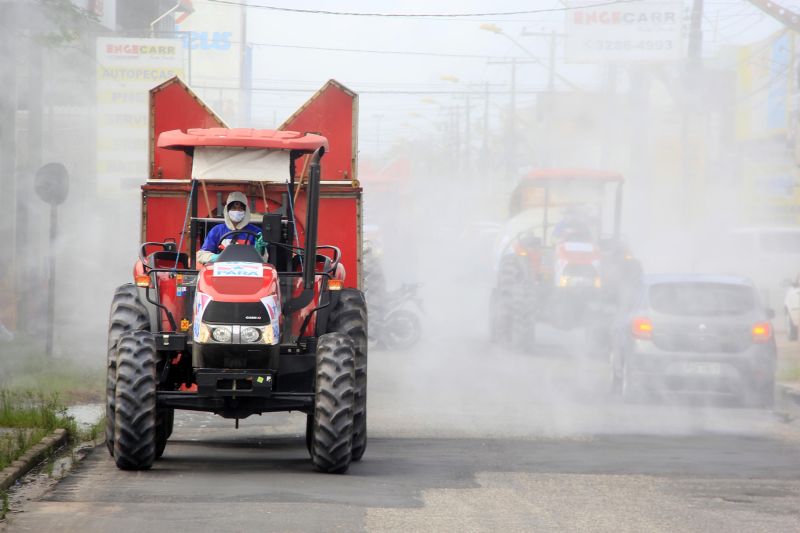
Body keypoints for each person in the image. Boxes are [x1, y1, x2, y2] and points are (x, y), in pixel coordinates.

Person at [197, 191, 266, 265]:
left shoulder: (256, 232)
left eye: (240, 209)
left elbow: (263, 260)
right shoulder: (217, 230)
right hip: (221, 271)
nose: (237, 211)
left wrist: (260, 249)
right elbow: (202, 255)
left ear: (246, 211)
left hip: (248, 271)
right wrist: (218, 257)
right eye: (233, 208)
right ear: (227, 210)